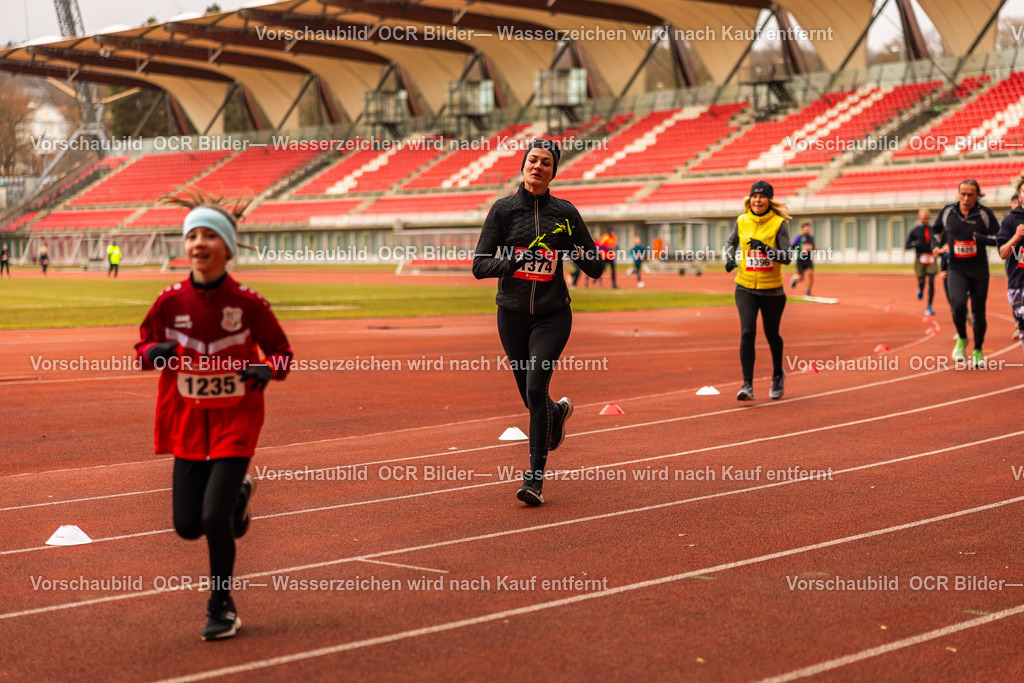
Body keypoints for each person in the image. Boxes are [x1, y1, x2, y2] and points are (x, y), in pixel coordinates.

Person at [135, 188, 292, 641]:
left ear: (227, 246)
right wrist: (155, 351)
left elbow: (281, 353)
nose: (198, 244)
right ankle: (240, 494)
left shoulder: (248, 304)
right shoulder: (169, 302)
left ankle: (221, 605)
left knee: (211, 520)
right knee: (186, 526)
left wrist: (266, 369)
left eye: (208, 235)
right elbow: (142, 350)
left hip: (235, 424)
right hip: (185, 425)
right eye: (192, 236)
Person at [473, 139, 604, 506]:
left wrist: (572, 247)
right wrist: (515, 261)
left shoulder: (565, 212)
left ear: (553, 171)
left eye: (546, 163)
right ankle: (557, 411)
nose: (538, 167)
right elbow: (479, 266)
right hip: (511, 315)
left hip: (552, 315)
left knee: (534, 389)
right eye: (533, 160)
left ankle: (534, 480)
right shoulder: (503, 210)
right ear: (523, 166)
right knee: (533, 398)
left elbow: (595, 266)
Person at [725, 180, 792, 401]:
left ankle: (777, 374)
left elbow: (787, 257)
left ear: (769, 201)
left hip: (772, 290)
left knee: (772, 335)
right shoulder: (742, 220)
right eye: (754, 196)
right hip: (744, 287)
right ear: (749, 199)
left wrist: (764, 249)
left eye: (762, 197)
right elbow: (730, 243)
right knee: (747, 332)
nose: (757, 200)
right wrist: (729, 258)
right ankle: (747, 385)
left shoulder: (778, 223)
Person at [933, 179, 998, 367]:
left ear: (978, 195)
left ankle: (978, 349)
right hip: (956, 268)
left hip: (978, 269)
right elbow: (936, 231)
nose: (966, 198)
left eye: (970, 195)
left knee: (979, 311)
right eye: (963, 194)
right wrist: (935, 247)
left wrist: (982, 239)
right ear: (958, 194)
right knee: (958, 305)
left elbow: (999, 238)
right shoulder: (948, 212)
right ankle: (962, 338)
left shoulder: (984, 214)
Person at [998, 184, 1024, 349]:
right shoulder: (1011, 220)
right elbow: (1003, 253)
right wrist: (1016, 237)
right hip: (1018, 285)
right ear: (1020, 196)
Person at [906, 209, 938, 315]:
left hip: (931, 258)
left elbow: (935, 240)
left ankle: (929, 306)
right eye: (925, 218)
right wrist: (915, 244)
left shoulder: (931, 229)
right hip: (920, 259)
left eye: (928, 218)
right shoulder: (914, 231)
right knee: (922, 281)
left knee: (932, 282)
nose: (927, 220)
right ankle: (920, 289)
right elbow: (907, 245)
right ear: (920, 218)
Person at [789, 222, 816, 297]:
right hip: (800, 259)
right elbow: (793, 246)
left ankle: (808, 291)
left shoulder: (811, 238)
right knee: (801, 277)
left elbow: (812, 247)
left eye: (808, 228)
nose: (807, 230)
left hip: (808, 259)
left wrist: (814, 248)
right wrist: (800, 250)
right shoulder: (799, 237)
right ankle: (795, 279)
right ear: (803, 229)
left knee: (810, 273)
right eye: (806, 228)